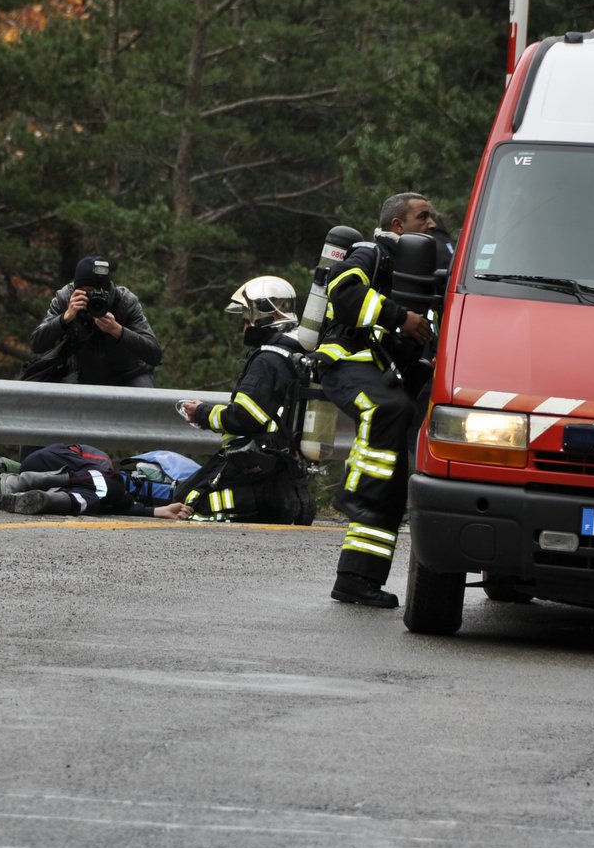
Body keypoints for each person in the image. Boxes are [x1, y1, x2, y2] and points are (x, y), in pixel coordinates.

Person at [315, 192, 436, 607]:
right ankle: (355, 493)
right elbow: (344, 294)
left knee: (392, 485)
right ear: (398, 225)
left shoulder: (423, 268)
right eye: (423, 217)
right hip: (344, 360)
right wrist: (401, 316)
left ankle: (356, 580)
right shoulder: (373, 252)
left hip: (383, 373)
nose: (432, 224)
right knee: (387, 410)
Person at [175, 276, 314, 525]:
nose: (244, 327)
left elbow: (244, 417)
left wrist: (202, 413)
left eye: (246, 319)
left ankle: (264, 504)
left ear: (261, 315)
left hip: (257, 464)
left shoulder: (268, 359)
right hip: (284, 467)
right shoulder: (297, 352)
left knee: (187, 501)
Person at [27, 255, 162, 386]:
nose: (93, 299)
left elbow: (154, 355)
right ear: (75, 289)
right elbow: (37, 345)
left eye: (99, 293)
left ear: (109, 290)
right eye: (86, 293)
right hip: (83, 375)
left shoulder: (125, 302)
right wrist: (64, 318)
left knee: (144, 400)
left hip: (130, 375)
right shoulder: (66, 298)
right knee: (63, 398)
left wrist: (118, 331)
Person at [0, 444, 190, 518]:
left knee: (94, 502)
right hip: (44, 463)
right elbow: (109, 485)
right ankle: (24, 482)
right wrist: (125, 498)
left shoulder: (104, 491)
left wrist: (159, 512)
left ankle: (46, 501)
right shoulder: (104, 464)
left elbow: (115, 507)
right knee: (108, 489)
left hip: (60, 487)